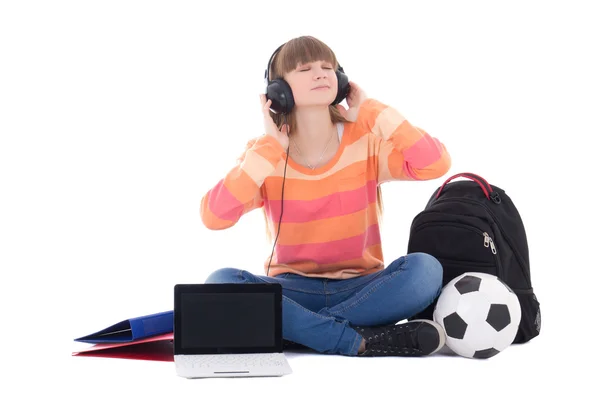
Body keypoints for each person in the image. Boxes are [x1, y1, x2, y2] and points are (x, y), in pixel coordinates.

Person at [200, 36, 452, 357]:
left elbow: (434, 164)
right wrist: (270, 147)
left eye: (328, 67)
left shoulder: (366, 142)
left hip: (363, 287)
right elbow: (214, 216)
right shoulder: (265, 155)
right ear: (279, 91)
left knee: (425, 270)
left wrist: (371, 112)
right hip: (292, 291)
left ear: (342, 81)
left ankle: (298, 332)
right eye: (305, 68)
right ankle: (356, 338)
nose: (320, 74)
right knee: (220, 282)